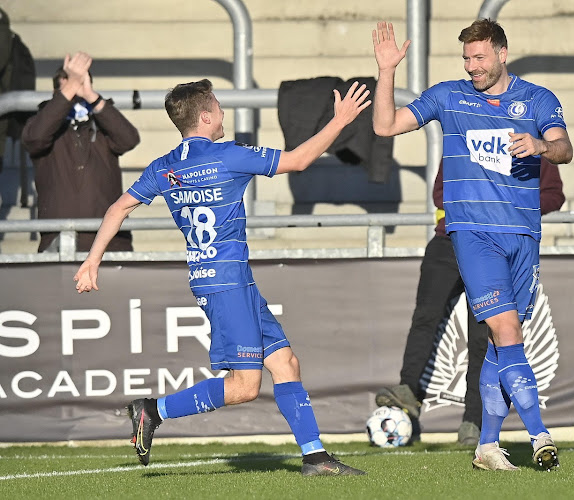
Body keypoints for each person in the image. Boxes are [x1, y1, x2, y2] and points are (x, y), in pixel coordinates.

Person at [73, 78, 371, 476]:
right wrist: (340, 122)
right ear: (206, 115)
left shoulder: (164, 166)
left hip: (224, 279)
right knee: (246, 386)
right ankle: (153, 411)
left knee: (286, 363)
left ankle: (315, 457)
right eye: (219, 106)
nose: (225, 113)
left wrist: (93, 260)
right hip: (226, 283)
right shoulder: (229, 155)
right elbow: (298, 161)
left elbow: (118, 208)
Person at [371, 19, 573, 471]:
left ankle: (485, 444)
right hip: (473, 234)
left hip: (522, 235)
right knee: (506, 332)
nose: (472, 66)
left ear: (502, 53)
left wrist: (540, 145)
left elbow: (564, 149)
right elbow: (385, 126)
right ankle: (540, 435)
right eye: (466, 58)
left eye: (479, 57)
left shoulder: (538, 99)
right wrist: (387, 72)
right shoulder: (449, 96)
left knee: (502, 347)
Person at [375, 158, 565, 446]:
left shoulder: (530, 142)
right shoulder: (462, 136)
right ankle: (408, 393)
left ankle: (473, 423)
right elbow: (440, 193)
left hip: (498, 249)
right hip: (450, 242)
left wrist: (505, 206)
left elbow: (553, 194)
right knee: (426, 317)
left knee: (482, 339)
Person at [22, 52, 138, 252]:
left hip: (110, 243)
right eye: (69, 87)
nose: (76, 93)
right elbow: (35, 138)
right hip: (57, 244)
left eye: (81, 85)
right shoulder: (41, 124)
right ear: (56, 92)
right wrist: (67, 91)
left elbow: (129, 139)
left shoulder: (102, 123)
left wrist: (91, 97)